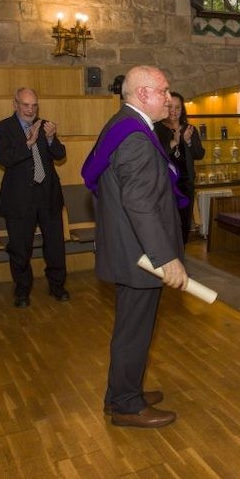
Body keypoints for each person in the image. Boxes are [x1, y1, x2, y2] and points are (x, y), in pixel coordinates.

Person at [81, 65, 188, 428]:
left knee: (131, 327)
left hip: (129, 247)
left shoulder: (123, 124)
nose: (169, 99)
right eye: (164, 91)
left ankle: (121, 393)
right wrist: (167, 258)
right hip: (140, 254)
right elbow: (140, 204)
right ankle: (126, 404)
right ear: (143, 94)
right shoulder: (136, 138)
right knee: (134, 332)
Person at [0, 87, 69, 308]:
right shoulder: (3, 127)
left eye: (34, 105)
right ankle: (22, 290)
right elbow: (4, 159)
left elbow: (60, 155)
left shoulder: (45, 125)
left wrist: (51, 138)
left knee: (55, 246)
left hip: (48, 195)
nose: (30, 110)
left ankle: (57, 286)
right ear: (15, 104)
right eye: (26, 105)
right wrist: (29, 143)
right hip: (19, 198)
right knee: (20, 249)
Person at [155, 92, 205, 242]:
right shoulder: (157, 129)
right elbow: (155, 155)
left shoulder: (189, 129)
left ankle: (181, 251)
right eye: (170, 107)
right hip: (166, 184)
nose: (174, 111)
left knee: (184, 223)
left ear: (182, 110)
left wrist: (188, 142)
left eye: (178, 108)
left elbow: (199, 154)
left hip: (186, 183)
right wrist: (174, 143)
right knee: (167, 223)